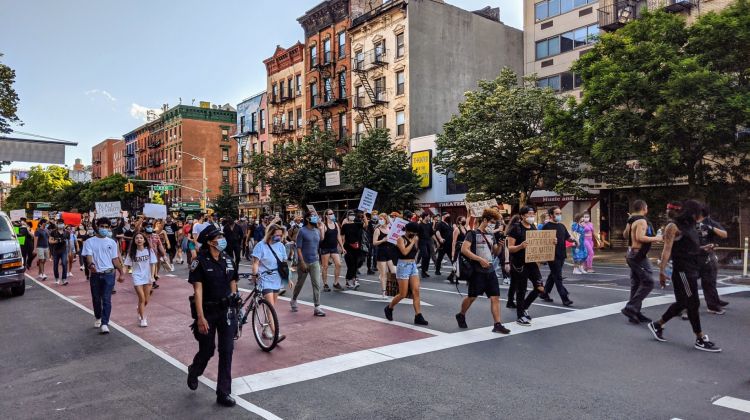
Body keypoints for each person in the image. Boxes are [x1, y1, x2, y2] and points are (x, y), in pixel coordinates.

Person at [648, 200, 721, 352]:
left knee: (682, 303)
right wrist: (661, 271)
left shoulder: (690, 225)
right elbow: (667, 250)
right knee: (693, 303)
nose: (700, 217)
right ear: (691, 213)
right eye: (698, 214)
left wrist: (703, 248)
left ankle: (657, 324)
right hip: (683, 271)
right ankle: (700, 338)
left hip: (692, 268)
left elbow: (688, 247)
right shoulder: (672, 226)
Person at [186, 224, 239, 407]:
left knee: (227, 351)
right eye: (218, 237)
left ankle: (223, 392)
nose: (222, 240)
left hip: (226, 312)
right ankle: (194, 370)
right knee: (207, 350)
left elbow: (233, 282)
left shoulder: (228, 259)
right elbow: (197, 291)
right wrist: (200, 318)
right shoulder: (199, 261)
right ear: (209, 242)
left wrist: (235, 310)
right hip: (207, 312)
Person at [455, 208, 511, 334]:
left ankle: (497, 324)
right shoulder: (472, 234)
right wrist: (479, 259)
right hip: (477, 272)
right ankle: (461, 314)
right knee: (471, 297)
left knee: (495, 297)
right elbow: (464, 249)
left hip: (490, 271)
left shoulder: (491, 235)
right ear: (484, 220)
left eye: (495, 223)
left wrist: (501, 245)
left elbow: (495, 252)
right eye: (491, 222)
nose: (493, 225)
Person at [621, 200, 662, 323]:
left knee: (636, 283)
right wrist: (658, 238)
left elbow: (625, 235)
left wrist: (628, 222)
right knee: (649, 282)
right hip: (638, 255)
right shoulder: (642, 221)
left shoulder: (632, 220)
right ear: (644, 208)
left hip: (633, 254)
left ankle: (635, 313)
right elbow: (640, 237)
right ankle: (631, 307)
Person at [81, 218, 124, 334]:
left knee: (106, 299)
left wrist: (121, 272)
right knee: (96, 298)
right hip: (95, 274)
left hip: (109, 274)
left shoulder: (112, 242)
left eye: (106, 227)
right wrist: (91, 265)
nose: (104, 229)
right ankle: (98, 317)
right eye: (102, 226)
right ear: (98, 227)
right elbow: (88, 256)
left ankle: (105, 323)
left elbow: (115, 259)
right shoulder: (90, 241)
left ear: (109, 228)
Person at [507, 206, 546, 326]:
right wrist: (520, 246)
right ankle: (520, 315)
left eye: (533, 214)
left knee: (540, 287)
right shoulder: (515, 228)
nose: (531, 216)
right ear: (522, 216)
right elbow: (510, 248)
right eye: (529, 214)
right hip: (520, 264)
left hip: (532, 262)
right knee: (521, 290)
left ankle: (524, 307)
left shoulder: (533, 227)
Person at [384, 222, 428, 326]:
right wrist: (413, 242)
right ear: (407, 230)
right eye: (413, 232)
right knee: (403, 293)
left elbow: (414, 252)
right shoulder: (400, 239)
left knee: (416, 291)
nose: (414, 234)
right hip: (403, 266)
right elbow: (404, 252)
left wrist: (415, 243)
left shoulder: (415, 238)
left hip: (413, 265)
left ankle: (418, 315)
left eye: (416, 232)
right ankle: (389, 308)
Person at [250, 224, 287, 341]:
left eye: (281, 235)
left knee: (271, 307)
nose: (279, 237)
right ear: (270, 234)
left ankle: (266, 331)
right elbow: (255, 262)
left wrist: (288, 279)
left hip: (277, 278)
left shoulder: (281, 246)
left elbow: (284, 263)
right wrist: (255, 275)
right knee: (271, 306)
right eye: (277, 235)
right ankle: (275, 333)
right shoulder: (260, 246)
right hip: (264, 278)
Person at [291, 211, 325, 316]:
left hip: (315, 261)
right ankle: (294, 299)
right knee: (300, 283)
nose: (315, 217)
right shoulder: (302, 231)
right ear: (307, 219)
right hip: (304, 261)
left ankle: (317, 306)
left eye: (316, 216)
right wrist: (301, 262)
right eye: (313, 216)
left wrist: (321, 226)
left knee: (317, 284)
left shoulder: (316, 230)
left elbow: (322, 239)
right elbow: (299, 248)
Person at [696, 206, 729, 314]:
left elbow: (724, 234)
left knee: (709, 281)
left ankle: (713, 304)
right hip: (692, 256)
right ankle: (684, 307)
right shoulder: (690, 222)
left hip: (707, 256)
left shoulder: (709, 222)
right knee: (689, 282)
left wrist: (711, 228)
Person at [540, 207, 576, 306]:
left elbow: (567, 238)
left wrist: (573, 240)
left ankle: (544, 293)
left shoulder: (561, 226)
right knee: (558, 277)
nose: (559, 215)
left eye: (560, 213)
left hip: (561, 254)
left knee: (553, 275)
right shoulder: (546, 226)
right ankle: (565, 298)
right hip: (552, 255)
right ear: (551, 215)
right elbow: (542, 241)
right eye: (557, 213)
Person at [124, 232, 157, 327]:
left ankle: (139, 308)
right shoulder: (132, 252)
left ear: (144, 240)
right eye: (137, 238)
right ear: (134, 241)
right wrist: (122, 274)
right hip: (137, 276)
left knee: (146, 300)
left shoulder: (149, 250)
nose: (139, 239)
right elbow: (126, 265)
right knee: (141, 298)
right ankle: (143, 319)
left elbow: (153, 263)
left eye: (141, 238)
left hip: (148, 277)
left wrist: (152, 276)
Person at [319, 209, 343, 291]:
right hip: (325, 248)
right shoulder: (323, 224)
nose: (332, 214)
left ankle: (336, 283)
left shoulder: (336, 224)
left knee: (338, 264)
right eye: (330, 213)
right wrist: (321, 229)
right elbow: (321, 237)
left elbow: (338, 236)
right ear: (326, 215)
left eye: (333, 213)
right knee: (325, 267)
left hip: (333, 248)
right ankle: (325, 284)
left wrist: (342, 247)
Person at [372, 214, 396, 298]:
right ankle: (384, 292)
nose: (380, 220)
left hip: (389, 252)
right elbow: (374, 243)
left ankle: (390, 288)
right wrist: (383, 240)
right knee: (383, 274)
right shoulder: (377, 230)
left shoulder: (389, 229)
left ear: (386, 220)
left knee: (393, 272)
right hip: (381, 252)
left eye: (382, 219)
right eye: (379, 219)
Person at [341, 210, 366, 290]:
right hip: (348, 247)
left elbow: (366, 224)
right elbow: (342, 237)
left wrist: (364, 215)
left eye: (353, 215)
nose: (352, 216)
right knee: (350, 264)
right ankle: (348, 280)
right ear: (347, 216)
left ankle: (354, 280)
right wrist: (342, 248)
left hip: (357, 247)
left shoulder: (357, 224)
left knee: (355, 264)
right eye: (350, 215)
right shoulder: (345, 226)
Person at [48, 219, 70, 286]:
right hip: (55, 250)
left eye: (61, 223)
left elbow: (68, 243)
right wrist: (56, 241)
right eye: (59, 223)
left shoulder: (67, 232)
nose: (60, 224)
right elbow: (50, 241)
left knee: (64, 263)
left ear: (64, 224)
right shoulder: (53, 232)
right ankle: (57, 278)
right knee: (55, 265)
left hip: (63, 250)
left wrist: (69, 252)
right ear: (57, 224)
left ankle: (64, 279)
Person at [447, 215, 468, 283]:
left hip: (464, 248)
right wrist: (453, 252)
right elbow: (454, 241)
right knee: (457, 263)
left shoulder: (465, 228)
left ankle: (452, 276)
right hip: (458, 249)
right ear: (459, 221)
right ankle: (452, 277)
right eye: (463, 219)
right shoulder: (456, 229)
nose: (464, 220)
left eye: (465, 219)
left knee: (463, 263)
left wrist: (469, 213)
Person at [434, 213, 453, 277]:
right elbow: (437, 232)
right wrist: (440, 239)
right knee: (440, 258)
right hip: (443, 244)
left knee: (452, 258)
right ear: (443, 216)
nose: (448, 217)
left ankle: (455, 271)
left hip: (450, 244)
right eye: (447, 216)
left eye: (449, 216)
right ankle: (437, 271)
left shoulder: (449, 224)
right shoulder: (440, 224)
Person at [416, 212, 434, 278]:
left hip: (428, 241)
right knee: (425, 255)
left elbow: (432, 234)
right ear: (425, 216)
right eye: (429, 216)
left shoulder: (429, 225)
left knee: (428, 256)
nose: (429, 218)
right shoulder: (420, 225)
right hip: (422, 242)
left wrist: (437, 241)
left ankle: (425, 271)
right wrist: (416, 245)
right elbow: (417, 235)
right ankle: (423, 272)